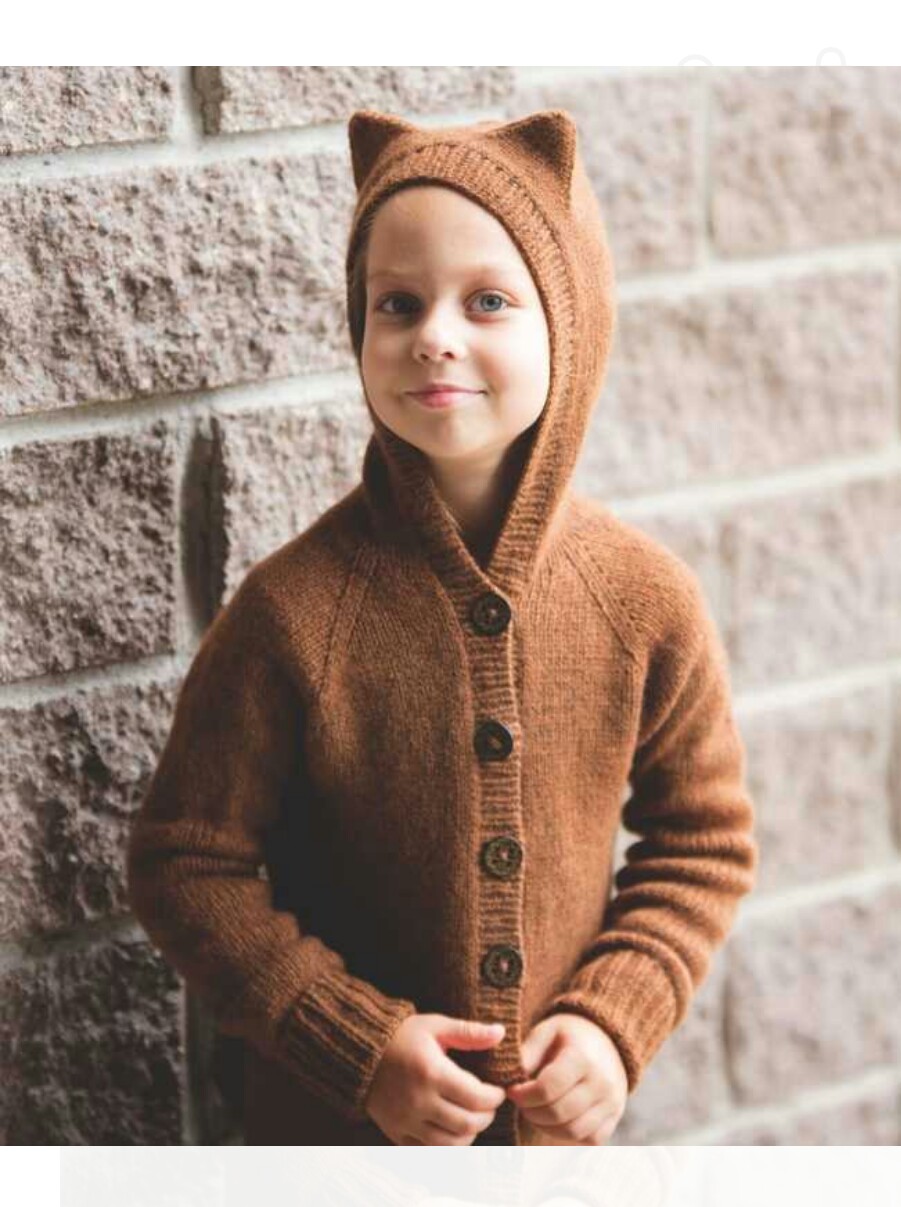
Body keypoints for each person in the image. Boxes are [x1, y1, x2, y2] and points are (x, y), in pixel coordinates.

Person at [125, 106, 759, 1147]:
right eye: (398, 302)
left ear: (573, 324)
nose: (434, 335)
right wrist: (355, 1044)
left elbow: (703, 842)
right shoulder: (294, 612)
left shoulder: (645, 600)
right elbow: (184, 861)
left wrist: (615, 1022)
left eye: (489, 300)